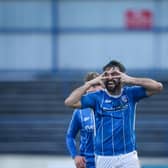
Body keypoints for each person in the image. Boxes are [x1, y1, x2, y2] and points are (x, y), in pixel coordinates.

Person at [64, 60, 163, 168]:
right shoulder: (97, 97)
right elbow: (69, 102)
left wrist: (131, 79)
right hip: (105, 157)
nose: (110, 77)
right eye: (106, 75)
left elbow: (158, 87)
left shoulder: (130, 94)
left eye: (114, 74)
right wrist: (89, 83)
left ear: (122, 76)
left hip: (128, 156)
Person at [66, 72, 102, 168]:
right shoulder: (79, 111)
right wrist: (75, 156)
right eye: (91, 85)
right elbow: (70, 136)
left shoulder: (110, 107)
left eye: (98, 84)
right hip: (88, 164)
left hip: (108, 161)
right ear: (85, 89)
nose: (95, 89)